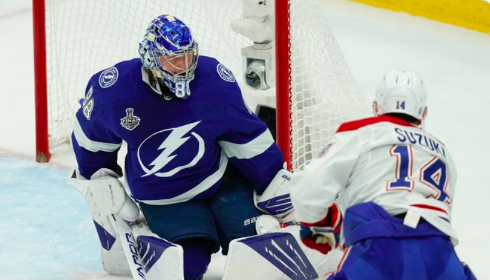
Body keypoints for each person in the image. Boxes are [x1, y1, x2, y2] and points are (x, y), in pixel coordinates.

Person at [69, 14, 287, 280]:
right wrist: (98, 176)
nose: (184, 66)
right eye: (174, 59)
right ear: (151, 58)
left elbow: (243, 135)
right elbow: (91, 138)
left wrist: (273, 178)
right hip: (165, 196)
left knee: (262, 252)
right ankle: (144, 236)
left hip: (220, 180)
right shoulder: (115, 91)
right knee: (185, 267)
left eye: (188, 56)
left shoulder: (213, 81)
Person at [290, 70, 477, 279]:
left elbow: (308, 188)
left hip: (380, 247)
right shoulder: (444, 155)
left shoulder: (363, 132)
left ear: (376, 108)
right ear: (423, 113)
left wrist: (318, 224)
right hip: (441, 256)